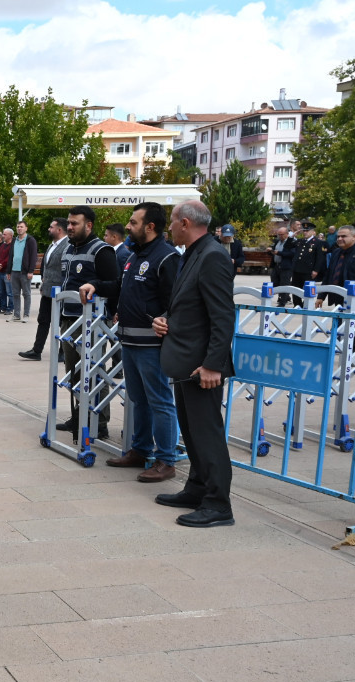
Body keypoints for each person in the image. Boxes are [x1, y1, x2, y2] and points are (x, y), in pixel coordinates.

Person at [152, 200, 235, 528]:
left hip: (203, 366)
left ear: (185, 223)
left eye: (172, 222)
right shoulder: (194, 253)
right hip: (186, 360)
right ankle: (198, 488)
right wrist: (165, 320)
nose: (169, 227)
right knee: (192, 431)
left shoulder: (213, 255)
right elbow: (190, 306)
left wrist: (213, 364)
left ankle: (218, 505)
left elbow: (223, 314)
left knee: (207, 434)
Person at [108, 202, 181, 482]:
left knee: (160, 401)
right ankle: (140, 450)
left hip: (152, 345)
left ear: (150, 227)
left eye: (133, 222)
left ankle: (166, 460)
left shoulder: (166, 257)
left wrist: (164, 320)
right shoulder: (135, 255)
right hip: (130, 341)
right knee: (138, 400)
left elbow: (176, 302)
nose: (128, 226)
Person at [58, 206, 120, 438]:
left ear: (89, 225)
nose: (70, 227)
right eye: (69, 223)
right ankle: (79, 416)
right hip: (68, 320)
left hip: (91, 323)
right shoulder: (68, 248)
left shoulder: (102, 251)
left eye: (75, 223)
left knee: (93, 371)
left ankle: (99, 421)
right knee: (73, 372)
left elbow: (113, 284)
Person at [18, 219, 70, 362]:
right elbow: (46, 267)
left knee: (62, 322)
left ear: (59, 230)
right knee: (43, 320)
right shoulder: (52, 245)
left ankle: (63, 351)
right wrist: (43, 283)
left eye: (51, 227)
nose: (48, 229)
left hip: (60, 291)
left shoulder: (68, 245)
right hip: (48, 291)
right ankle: (36, 350)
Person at [318, 225, 355, 310]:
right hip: (337, 298)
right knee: (338, 323)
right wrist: (321, 296)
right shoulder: (336, 252)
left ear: (354, 237)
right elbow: (329, 275)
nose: (339, 239)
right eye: (338, 236)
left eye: (343, 236)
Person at [9, 221, 37, 322]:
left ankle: (26, 315)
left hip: (25, 272)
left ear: (26, 228)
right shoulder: (14, 240)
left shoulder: (30, 240)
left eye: (21, 227)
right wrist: (8, 271)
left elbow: (33, 256)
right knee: (15, 294)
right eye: (18, 227)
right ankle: (16, 315)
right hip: (14, 271)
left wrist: (31, 271)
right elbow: (11, 256)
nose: (19, 228)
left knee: (26, 294)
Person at [270, 225, 298, 305]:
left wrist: (279, 253)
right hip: (276, 265)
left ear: (287, 234)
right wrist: (270, 251)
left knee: (284, 283)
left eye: (282, 234)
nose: (280, 236)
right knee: (275, 283)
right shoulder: (277, 241)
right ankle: (284, 297)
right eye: (279, 234)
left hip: (286, 266)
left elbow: (292, 253)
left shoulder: (291, 242)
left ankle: (283, 301)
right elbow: (274, 252)